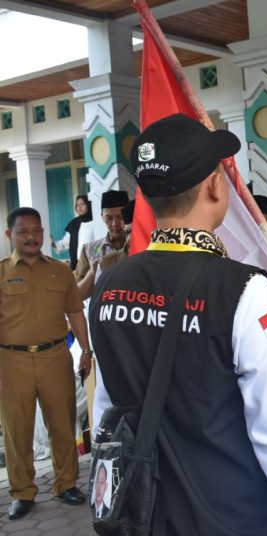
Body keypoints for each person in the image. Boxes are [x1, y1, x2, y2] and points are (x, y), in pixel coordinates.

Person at [89, 113, 267, 535]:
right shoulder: (245, 288)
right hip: (230, 513)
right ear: (217, 186)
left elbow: (107, 409)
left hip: (142, 511)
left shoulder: (109, 284)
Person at [0, 207, 92, 520]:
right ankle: (22, 492)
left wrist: (86, 350)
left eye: (37, 231)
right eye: (23, 231)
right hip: (12, 360)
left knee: (63, 423)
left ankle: (66, 483)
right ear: (10, 235)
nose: (31, 237)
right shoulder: (0, 272)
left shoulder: (61, 270)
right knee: (17, 429)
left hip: (55, 356)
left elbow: (76, 313)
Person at [74, 190, 129, 299]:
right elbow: (77, 296)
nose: (114, 224)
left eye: (120, 217)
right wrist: (93, 273)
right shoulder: (89, 250)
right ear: (102, 216)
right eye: (108, 218)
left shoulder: (142, 247)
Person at [50, 194, 93, 270]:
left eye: (82, 204)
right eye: (77, 205)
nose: (79, 207)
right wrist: (54, 244)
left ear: (88, 205)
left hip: (91, 262)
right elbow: (66, 242)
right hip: (76, 264)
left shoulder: (95, 222)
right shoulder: (73, 223)